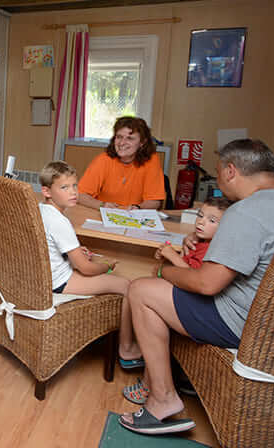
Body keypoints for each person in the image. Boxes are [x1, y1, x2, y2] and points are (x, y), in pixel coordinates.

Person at [118, 139, 274, 435]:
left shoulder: (246, 211)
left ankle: (162, 398)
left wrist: (165, 270)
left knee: (141, 290)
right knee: (161, 290)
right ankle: (177, 379)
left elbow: (207, 283)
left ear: (230, 171)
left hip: (243, 322)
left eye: (217, 173)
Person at [122, 196, 232, 406]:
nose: (201, 222)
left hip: (194, 301)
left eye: (211, 220)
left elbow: (194, 277)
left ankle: (150, 384)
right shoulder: (199, 243)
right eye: (200, 216)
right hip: (181, 294)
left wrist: (172, 258)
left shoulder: (212, 250)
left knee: (152, 314)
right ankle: (152, 380)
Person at [40, 161, 142, 369]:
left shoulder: (42, 211)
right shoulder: (60, 222)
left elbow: (51, 245)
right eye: (64, 187)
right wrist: (107, 267)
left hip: (48, 273)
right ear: (47, 191)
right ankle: (126, 348)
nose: (73, 192)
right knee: (126, 286)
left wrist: (75, 253)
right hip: (60, 281)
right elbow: (85, 269)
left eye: (75, 186)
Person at [77, 116, 166, 210]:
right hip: (103, 214)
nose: (122, 143)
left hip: (134, 217)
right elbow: (80, 195)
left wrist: (138, 208)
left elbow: (154, 201)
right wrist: (102, 205)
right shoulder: (103, 160)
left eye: (130, 138)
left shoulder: (151, 160)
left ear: (142, 143)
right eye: (119, 137)